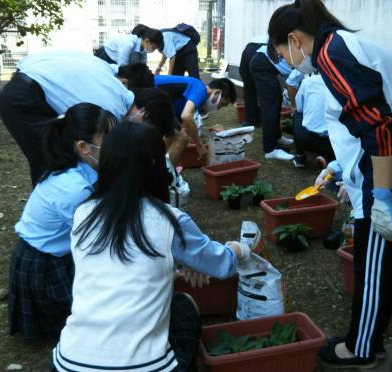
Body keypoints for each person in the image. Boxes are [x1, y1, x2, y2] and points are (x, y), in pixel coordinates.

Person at [268, 0, 392, 367]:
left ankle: (362, 347)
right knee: (384, 259)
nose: (289, 62)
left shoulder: (332, 54)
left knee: (373, 262)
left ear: (294, 39)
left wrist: (381, 195)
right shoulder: (340, 47)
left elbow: (379, 126)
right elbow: (363, 120)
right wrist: (340, 166)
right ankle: (367, 336)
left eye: (283, 54)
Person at [51, 121, 253, 371]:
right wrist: (239, 248)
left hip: (69, 362)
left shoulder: (84, 213)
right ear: (157, 166)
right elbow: (221, 264)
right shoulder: (169, 220)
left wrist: (178, 264)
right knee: (185, 305)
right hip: (146, 366)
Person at [8, 103, 113, 342]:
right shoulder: (72, 188)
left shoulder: (82, 168)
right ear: (84, 147)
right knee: (88, 325)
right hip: (42, 264)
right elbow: (99, 238)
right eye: (108, 138)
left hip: (58, 254)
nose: (115, 145)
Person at [0, 50, 149, 186]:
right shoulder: (114, 101)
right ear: (125, 84)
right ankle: (53, 208)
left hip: (27, 84)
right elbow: (108, 146)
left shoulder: (103, 67)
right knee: (50, 161)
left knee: (57, 155)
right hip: (23, 100)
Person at [243, 35, 303, 161]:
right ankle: (270, 148)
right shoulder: (308, 61)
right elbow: (291, 83)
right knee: (270, 105)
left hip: (265, 62)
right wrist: (294, 107)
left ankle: (276, 136)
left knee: (276, 100)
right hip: (262, 65)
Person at [154, 74, 236, 158]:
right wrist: (199, 144)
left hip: (156, 99)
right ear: (217, 93)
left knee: (177, 136)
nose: (218, 109)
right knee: (180, 138)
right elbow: (186, 116)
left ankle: (159, 166)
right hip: (148, 93)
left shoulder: (189, 100)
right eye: (221, 104)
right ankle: (158, 167)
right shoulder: (200, 88)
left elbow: (181, 125)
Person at [292, 74, 336, 168]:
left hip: (307, 138)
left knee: (297, 114)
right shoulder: (345, 82)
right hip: (333, 142)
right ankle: (329, 158)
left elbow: (299, 107)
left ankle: (300, 157)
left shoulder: (308, 81)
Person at [94, 24, 163, 66]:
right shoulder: (128, 44)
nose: (153, 51)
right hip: (105, 56)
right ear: (147, 41)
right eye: (153, 48)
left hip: (116, 61)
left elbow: (142, 66)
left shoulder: (143, 48)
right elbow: (123, 66)